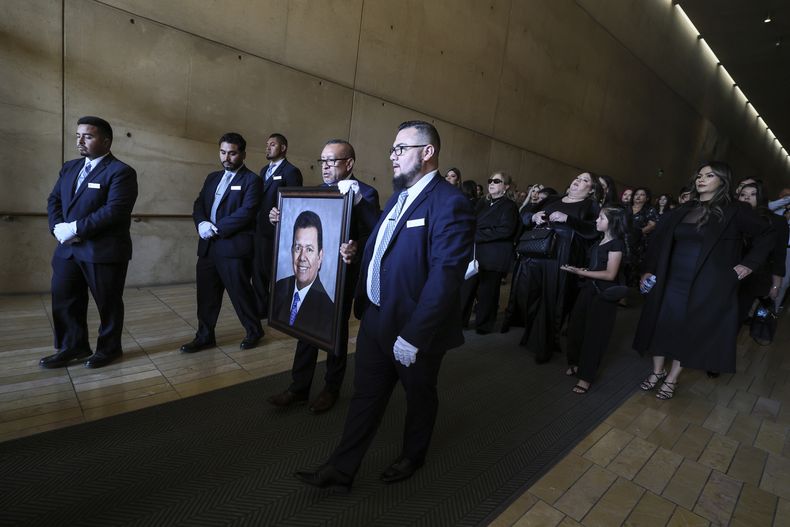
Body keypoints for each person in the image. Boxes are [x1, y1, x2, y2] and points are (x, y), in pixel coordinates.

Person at [295, 120, 474, 492]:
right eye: (392, 149)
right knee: (366, 394)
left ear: (427, 153)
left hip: (413, 328)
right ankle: (341, 468)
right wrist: (357, 253)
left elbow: (446, 276)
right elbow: (386, 248)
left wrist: (415, 335)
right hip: (376, 317)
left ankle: (413, 455)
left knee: (419, 395)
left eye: (400, 149)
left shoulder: (450, 202)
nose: (392, 156)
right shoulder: (398, 196)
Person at [634, 162, 774, 400]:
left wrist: (748, 264)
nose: (702, 179)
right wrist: (648, 270)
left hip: (705, 284)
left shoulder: (736, 210)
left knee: (687, 330)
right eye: (699, 175)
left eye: (710, 175)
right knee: (661, 324)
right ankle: (657, 372)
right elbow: (659, 241)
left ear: (723, 181)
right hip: (670, 279)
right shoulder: (684, 208)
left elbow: (767, 234)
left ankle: (672, 378)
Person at [267, 139, 380, 414]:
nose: (325, 167)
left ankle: (331, 388)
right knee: (305, 328)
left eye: (332, 161)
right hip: (310, 279)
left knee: (334, 333)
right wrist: (278, 217)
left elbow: (374, 234)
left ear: (349, 163)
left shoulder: (367, 192)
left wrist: (355, 247)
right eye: (323, 161)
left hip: (341, 277)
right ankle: (299, 388)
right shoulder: (317, 192)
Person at [41, 116, 138, 369]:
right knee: (64, 298)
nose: (80, 141)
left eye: (88, 136)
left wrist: (75, 228)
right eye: (78, 135)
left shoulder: (121, 172)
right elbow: (54, 200)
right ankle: (73, 346)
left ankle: (109, 349)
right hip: (68, 250)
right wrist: (57, 228)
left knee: (108, 303)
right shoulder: (69, 167)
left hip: (102, 251)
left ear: (106, 141)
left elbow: (115, 210)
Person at [180, 133, 264, 353]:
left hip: (233, 247)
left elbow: (247, 212)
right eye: (223, 152)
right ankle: (205, 336)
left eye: (233, 153)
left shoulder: (252, 180)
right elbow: (199, 204)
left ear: (243, 154)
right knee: (206, 296)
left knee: (240, 293)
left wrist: (216, 228)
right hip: (208, 247)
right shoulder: (212, 177)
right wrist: (201, 224)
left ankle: (254, 330)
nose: (227, 157)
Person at [504, 172, 600, 363]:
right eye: (578, 177)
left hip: (561, 256)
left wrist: (568, 219)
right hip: (537, 252)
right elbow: (523, 216)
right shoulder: (553, 199)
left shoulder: (591, 206)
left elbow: (595, 230)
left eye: (585, 181)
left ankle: (544, 345)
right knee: (529, 295)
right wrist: (534, 216)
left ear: (591, 190)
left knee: (552, 299)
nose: (578, 181)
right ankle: (531, 334)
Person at [561, 207, 628, 393]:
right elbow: (595, 267)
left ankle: (586, 377)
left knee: (595, 336)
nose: (597, 220)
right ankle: (575, 363)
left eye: (601, 218)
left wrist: (581, 272)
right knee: (576, 328)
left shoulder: (617, 244)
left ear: (612, 222)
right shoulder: (600, 241)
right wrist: (578, 269)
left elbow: (610, 274)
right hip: (588, 289)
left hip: (603, 294)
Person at [460, 172, 519, 334]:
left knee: (488, 293)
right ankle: (459, 321)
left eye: (497, 181)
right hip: (475, 253)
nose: (491, 183)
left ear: (506, 186)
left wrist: (477, 234)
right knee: (466, 289)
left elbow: (506, 230)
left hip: (494, 256)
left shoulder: (509, 206)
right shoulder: (482, 203)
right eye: (490, 181)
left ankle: (484, 325)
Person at [253, 133, 303, 319]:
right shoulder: (263, 170)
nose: (267, 147)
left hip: (277, 232)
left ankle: (280, 310)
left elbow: (294, 203)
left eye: (272, 144)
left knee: (275, 273)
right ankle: (260, 309)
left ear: (283, 148)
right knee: (257, 272)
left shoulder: (291, 171)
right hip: (259, 230)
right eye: (267, 144)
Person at [271, 210, 335, 341]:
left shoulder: (328, 309)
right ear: (291, 250)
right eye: (298, 248)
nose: (302, 257)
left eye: (309, 249)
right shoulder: (279, 287)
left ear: (320, 256)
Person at [736, 183, 788, 322]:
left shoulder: (776, 221)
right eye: (743, 195)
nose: (747, 198)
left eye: (753, 194)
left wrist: (776, 285)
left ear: (761, 197)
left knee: (737, 317)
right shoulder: (732, 217)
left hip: (755, 278)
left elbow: (779, 255)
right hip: (728, 276)